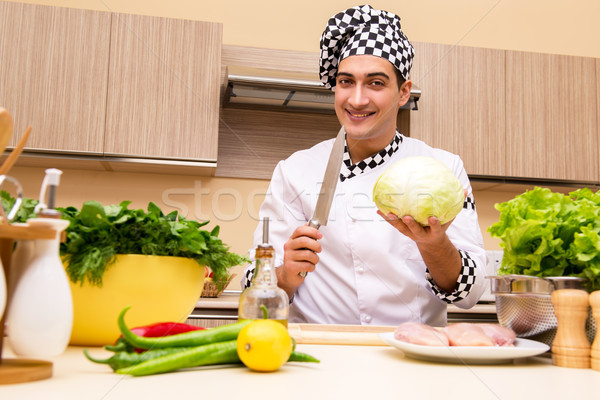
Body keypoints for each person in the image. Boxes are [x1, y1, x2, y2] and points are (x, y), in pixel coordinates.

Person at [242, 5, 487, 326]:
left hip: (413, 355)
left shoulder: (443, 168)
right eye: (346, 82)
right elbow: (254, 288)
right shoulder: (295, 170)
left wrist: (435, 245)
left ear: (403, 92)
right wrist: (285, 274)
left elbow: (469, 295)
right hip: (321, 354)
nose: (357, 99)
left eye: (375, 83)